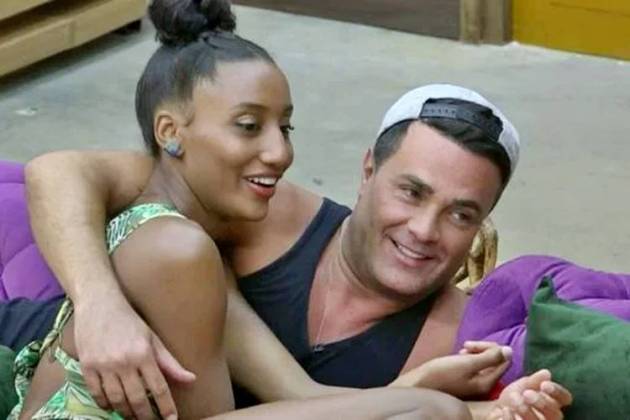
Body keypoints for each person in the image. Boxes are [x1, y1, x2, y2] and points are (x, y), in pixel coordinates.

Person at [5, 7, 572, 419]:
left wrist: (451, 399)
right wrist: (100, 305)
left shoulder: (204, 241)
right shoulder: (220, 225)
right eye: (411, 192)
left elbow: (297, 396)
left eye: (461, 214)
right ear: (368, 171)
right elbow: (55, 172)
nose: (278, 153)